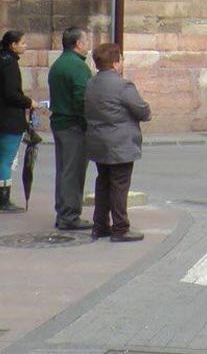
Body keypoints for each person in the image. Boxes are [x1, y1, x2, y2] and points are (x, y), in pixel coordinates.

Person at [84, 43, 151, 241]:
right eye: (120, 59)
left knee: (103, 182)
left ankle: (100, 225)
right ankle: (121, 228)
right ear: (115, 63)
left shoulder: (91, 83)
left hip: (98, 141)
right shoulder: (123, 85)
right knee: (120, 185)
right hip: (119, 143)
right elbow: (142, 110)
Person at [48, 27, 93, 230]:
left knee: (64, 170)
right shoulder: (78, 67)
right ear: (78, 44)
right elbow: (82, 99)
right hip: (73, 125)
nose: (88, 45)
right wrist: (89, 123)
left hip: (60, 122)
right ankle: (69, 216)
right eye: (86, 41)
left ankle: (63, 212)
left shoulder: (58, 64)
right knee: (73, 172)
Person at [0, 30, 38, 213]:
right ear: (13, 45)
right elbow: (12, 94)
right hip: (9, 119)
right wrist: (29, 102)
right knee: (5, 160)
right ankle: (3, 200)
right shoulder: (10, 64)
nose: (25, 45)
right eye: (22, 42)